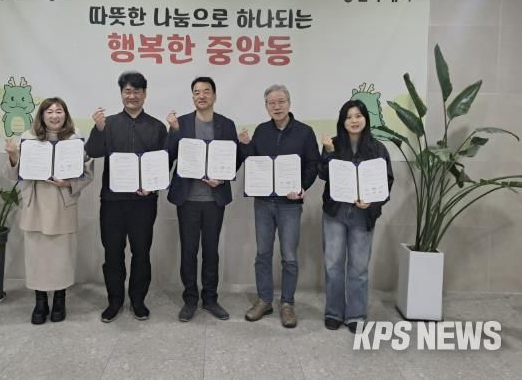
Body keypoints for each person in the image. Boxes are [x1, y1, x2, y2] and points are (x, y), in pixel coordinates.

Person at [84, 71, 167, 323]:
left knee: (141, 253)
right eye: (127, 91)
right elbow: (92, 151)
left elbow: (163, 162)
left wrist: (152, 187)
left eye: (137, 91)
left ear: (145, 94)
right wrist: (99, 129)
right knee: (113, 253)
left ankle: (138, 301)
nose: (132, 96)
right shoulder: (108, 124)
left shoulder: (157, 127)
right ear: (121, 94)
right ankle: (115, 301)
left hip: (144, 202)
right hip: (113, 202)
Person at [5, 97, 93, 325]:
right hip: (35, 204)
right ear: (42, 116)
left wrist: (68, 183)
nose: (54, 116)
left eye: (59, 111)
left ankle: (60, 301)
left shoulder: (75, 139)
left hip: (62, 205)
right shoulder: (28, 138)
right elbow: (15, 174)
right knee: (37, 256)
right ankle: (40, 302)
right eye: (50, 112)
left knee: (62, 256)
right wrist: (13, 155)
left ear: (66, 114)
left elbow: (87, 173)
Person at [238, 84, 319, 328]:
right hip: (263, 203)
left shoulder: (305, 132)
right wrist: (245, 145)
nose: (277, 106)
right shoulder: (261, 130)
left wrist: (303, 186)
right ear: (266, 106)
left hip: (290, 205)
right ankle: (264, 300)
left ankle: (287, 304)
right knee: (262, 254)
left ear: (289, 103)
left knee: (289, 257)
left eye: (281, 101)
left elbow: (313, 164)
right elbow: (254, 161)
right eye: (271, 103)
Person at [166, 77, 242, 322]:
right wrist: (173, 131)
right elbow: (169, 154)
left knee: (211, 251)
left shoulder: (226, 124)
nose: (201, 96)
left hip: (214, 199)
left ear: (214, 96)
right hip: (187, 198)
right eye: (197, 92)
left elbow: (234, 158)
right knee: (188, 251)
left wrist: (223, 177)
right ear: (192, 97)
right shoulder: (181, 123)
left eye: (206, 91)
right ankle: (190, 299)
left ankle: (210, 298)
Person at [319, 100, 393, 333]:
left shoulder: (378, 148)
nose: (353, 120)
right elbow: (323, 174)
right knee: (333, 265)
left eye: (358, 116)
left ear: (365, 119)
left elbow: (387, 181)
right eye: (349, 116)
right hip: (335, 213)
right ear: (342, 121)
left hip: (363, 215)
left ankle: (356, 315)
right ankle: (333, 312)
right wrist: (328, 152)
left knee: (358, 268)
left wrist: (372, 201)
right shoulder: (333, 143)